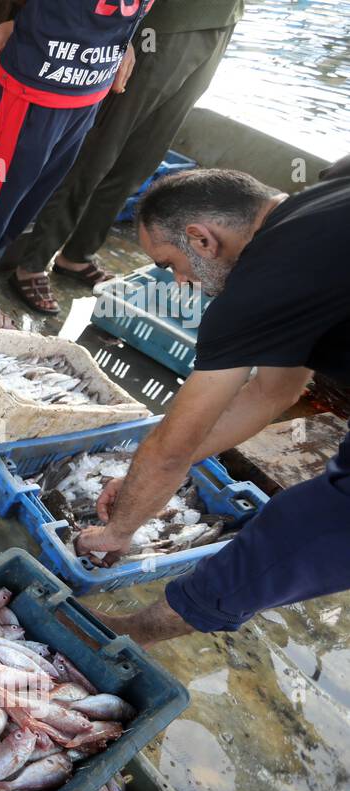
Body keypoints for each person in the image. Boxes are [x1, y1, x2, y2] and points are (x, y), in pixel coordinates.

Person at [74, 168, 350, 645]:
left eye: (171, 264)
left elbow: (169, 448)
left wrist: (118, 532)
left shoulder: (258, 287)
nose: (181, 283)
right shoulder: (327, 191)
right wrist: (147, 482)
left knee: (307, 526)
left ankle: (133, 633)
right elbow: (273, 391)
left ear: (201, 240)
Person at [11, 0, 245, 314]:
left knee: (142, 157)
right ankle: (33, 260)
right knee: (100, 149)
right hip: (164, 23)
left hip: (222, 18)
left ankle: (77, 254)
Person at [0, 0, 153, 330]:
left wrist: (127, 42)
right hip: (30, 92)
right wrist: (16, 23)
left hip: (88, 94)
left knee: (22, 211)